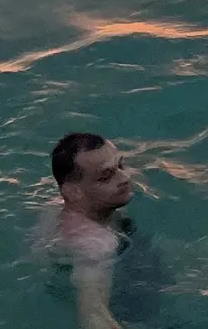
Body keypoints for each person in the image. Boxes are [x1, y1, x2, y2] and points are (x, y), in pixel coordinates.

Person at [34, 133, 168, 329]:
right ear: (73, 192)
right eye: (105, 176)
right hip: (128, 308)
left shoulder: (54, 209)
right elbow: (93, 315)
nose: (125, 178)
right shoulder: (94, 243)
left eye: (120, 165)